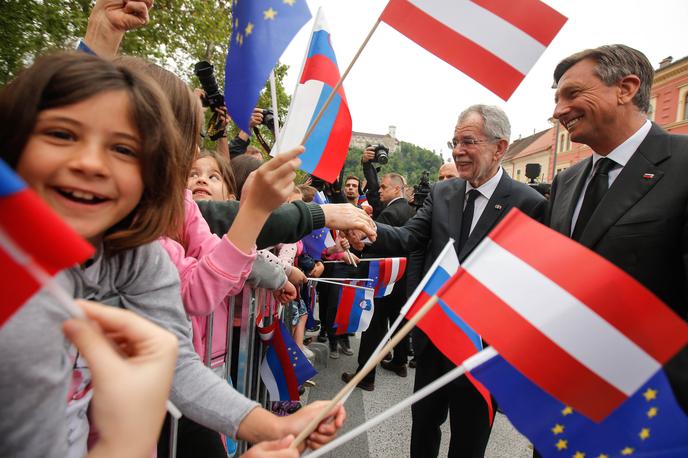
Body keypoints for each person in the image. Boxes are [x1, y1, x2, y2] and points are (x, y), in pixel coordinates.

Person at [0, 52, 345, 457]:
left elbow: (175, 362)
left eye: (124, 149)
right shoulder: (15, 274)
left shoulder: (134, 253)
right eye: (61, 135)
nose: (91, 163)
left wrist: (275, 426)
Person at [348, 104, 546, 457]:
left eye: (468, 141)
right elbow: (409, 237)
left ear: (500, 147)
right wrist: (368, 230)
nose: (457, 150)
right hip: (433, 337)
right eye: (454, 141)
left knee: (468, 440)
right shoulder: (443, 193)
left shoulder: (528, 203)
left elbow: (531, 287)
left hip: (482, 350)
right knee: (423, 424)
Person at [545, 44, 688, 424]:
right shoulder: (566, 180)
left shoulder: (683, 164)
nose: (558, 110)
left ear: (625, 88)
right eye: (557, 98)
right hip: (564, 397)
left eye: (572, 94)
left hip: (648, 407)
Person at [342, 172, 415, 391]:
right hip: (403, 278)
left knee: (373, 327)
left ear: (396, 189)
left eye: (384, 187)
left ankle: (365, 376)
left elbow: (376, 242)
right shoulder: (410, 210)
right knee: (399, 320)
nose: (380, 190)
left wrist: (359, 244)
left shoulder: (391, 213)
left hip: (386, 278)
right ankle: (399, 362)